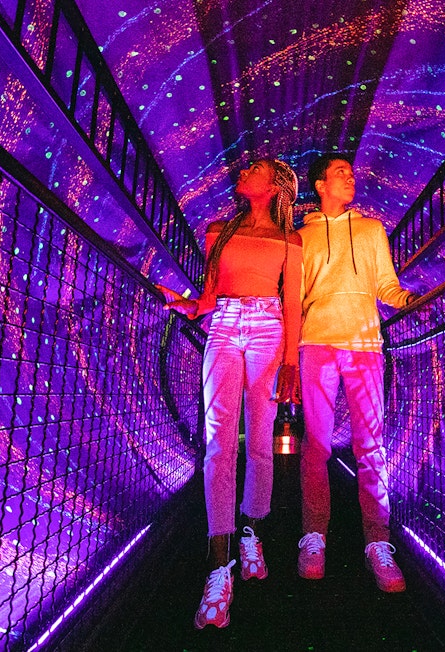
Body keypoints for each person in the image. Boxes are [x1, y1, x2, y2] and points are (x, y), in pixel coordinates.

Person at [159, 158, 302, 629]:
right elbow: (208, 296)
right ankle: (219, 567)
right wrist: (186, 303)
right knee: (220, 443)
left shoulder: (290, 240)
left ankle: (251, 530)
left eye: (255, 169)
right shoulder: (217, 230)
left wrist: (292, 361)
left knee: (260, 443)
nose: (244, 171)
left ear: (276, 187)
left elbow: (294, 305)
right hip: (222, 325)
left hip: (269, 329)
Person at [295, 154, 418, 593]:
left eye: (351, 172)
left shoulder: (371, 230)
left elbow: (385, 284)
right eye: (340, 173)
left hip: (366, 344)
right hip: (316, 344)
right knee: (316, 444)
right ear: (320, 184)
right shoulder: (301, 238)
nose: (351, 178)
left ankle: (378, 543)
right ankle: (313, 537)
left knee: (372, 445)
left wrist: (406, 299)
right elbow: (297, 297)